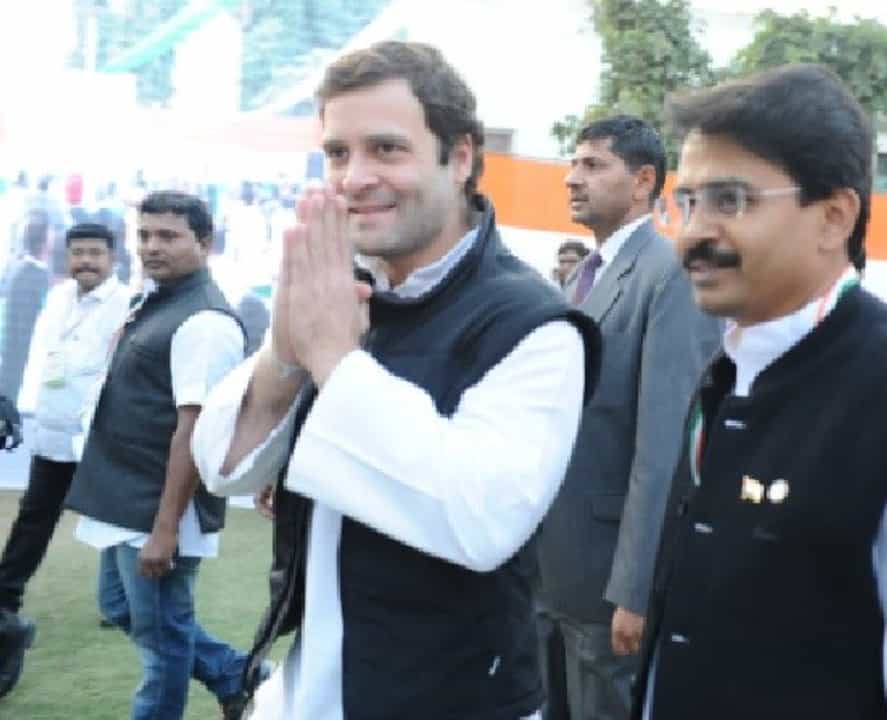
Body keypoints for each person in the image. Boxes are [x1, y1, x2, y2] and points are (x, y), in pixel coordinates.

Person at [190, 41, 600, 719]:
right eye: (337, 153)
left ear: (460, 157)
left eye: (386, 149)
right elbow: (223, 467)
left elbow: (479, 520)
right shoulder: (350, 288)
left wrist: (332, 358)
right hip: (309, 689)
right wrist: (285, 353)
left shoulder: (536, 324)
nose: (355, 178)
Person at [630, 64, 887, 719]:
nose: (693, 233)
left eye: (730, 200)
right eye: (688, 202)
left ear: (835, 217)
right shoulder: (731, 370)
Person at [536, 116, 719, 719]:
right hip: (551, 571)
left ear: (643, 182)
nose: (572, 178)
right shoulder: (580, 278)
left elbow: (662, 449)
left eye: (593, 165)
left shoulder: (670, 276)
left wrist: (633, 592)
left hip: (607, 586)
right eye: (573, 164)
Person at [61, 191, 256, 720]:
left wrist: (165, 529)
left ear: (205, 243)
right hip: (125, 498)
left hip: (158, 505)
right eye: (145, 235)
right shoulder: (158, 301)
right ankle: (236, 675)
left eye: (168, 236)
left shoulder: (205, 322)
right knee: (121, 608)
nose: (151, 247)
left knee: (162, 642)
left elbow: (193, 430)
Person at [0, 223, 132, 698]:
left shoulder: (127, 304)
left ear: (113, 259)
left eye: (95, 253)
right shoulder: (58, 299)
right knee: (34, 518)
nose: (86, 261)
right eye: (78, 253)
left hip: (102, 434)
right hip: (54, 429)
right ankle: (5, 600)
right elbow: (42, 356)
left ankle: (121, 603)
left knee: (117, 517)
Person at [0, 216, 53, 401]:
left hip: (11, 351)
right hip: (21, 353)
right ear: (43, 243)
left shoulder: (17, 268)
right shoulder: (35, 275)